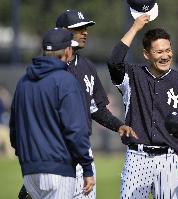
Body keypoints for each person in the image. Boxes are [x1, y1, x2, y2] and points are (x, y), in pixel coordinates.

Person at [18, 10, 138, 199]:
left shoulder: (87, 67)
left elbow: (95, 108)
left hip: (80, 152)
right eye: (78, 28)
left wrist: (118, 125)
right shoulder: (42, 71)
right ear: (61, 32)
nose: (85, 32)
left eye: (85, 28)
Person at [107, 15, 178, 199]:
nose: (165, 56)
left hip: (169, 159)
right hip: (137, 158)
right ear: (146, 54)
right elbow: (114, 61)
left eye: (168, 50)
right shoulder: (133, 76)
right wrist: (135, 28)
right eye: (159, 52)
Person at [9, 28, 95, 199]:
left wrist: (27, 159)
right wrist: (87, 167)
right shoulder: (66, 81)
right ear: (68, 51)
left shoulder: (23, 82)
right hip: (58, 171)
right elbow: (76, 130)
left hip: (30, 172)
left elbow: (15, 130)